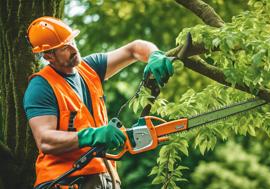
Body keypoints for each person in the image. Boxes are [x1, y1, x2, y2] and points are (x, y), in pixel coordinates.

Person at [23, 16, 174, 189]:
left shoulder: (90, 68)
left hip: (104, 177)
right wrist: (94, 135)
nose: (73, 49)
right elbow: (45, 140)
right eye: (65, 47)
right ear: (49, 56)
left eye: (72, 41)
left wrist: (154, 55)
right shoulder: (41, 86)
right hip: (65, 181)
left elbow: (133, 49)